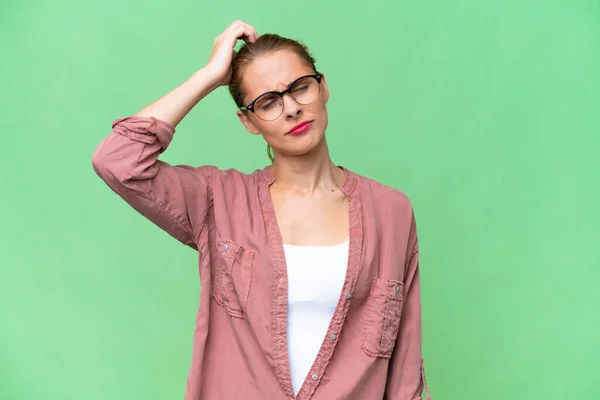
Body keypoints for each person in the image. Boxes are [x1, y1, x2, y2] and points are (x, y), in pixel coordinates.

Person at [92, 20, 431, 400]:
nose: (291, 109)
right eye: (267, 102)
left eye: (300, 88)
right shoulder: (217, 200)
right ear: (248, 121)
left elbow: (405, 377)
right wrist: (209, 76)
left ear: (323, 87)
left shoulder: (391, 211)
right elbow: (118, 161)